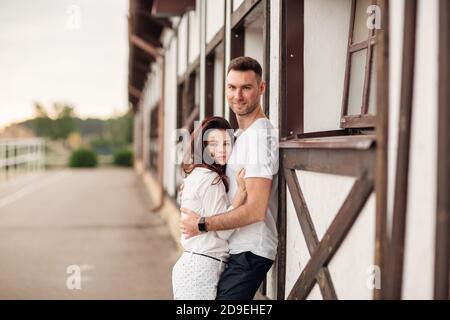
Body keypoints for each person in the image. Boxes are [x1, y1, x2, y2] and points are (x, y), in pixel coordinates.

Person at [180, 56, 279, 300]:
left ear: (261, 88)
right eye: (232, 87)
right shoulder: (241, 135)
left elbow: (255, 210)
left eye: (246, 87)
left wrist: (201, 224)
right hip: (234, 248)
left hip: (250, 250)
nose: (238, 95)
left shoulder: (259, 138)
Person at [172, 116, 248, 300]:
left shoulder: (198, 174)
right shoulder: (211, 179)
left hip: (196, 264)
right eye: (213, 144)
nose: (221, 150)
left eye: (226, 143)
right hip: (201, 267)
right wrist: (241, 194)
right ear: (203, 146)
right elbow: (223, 232)